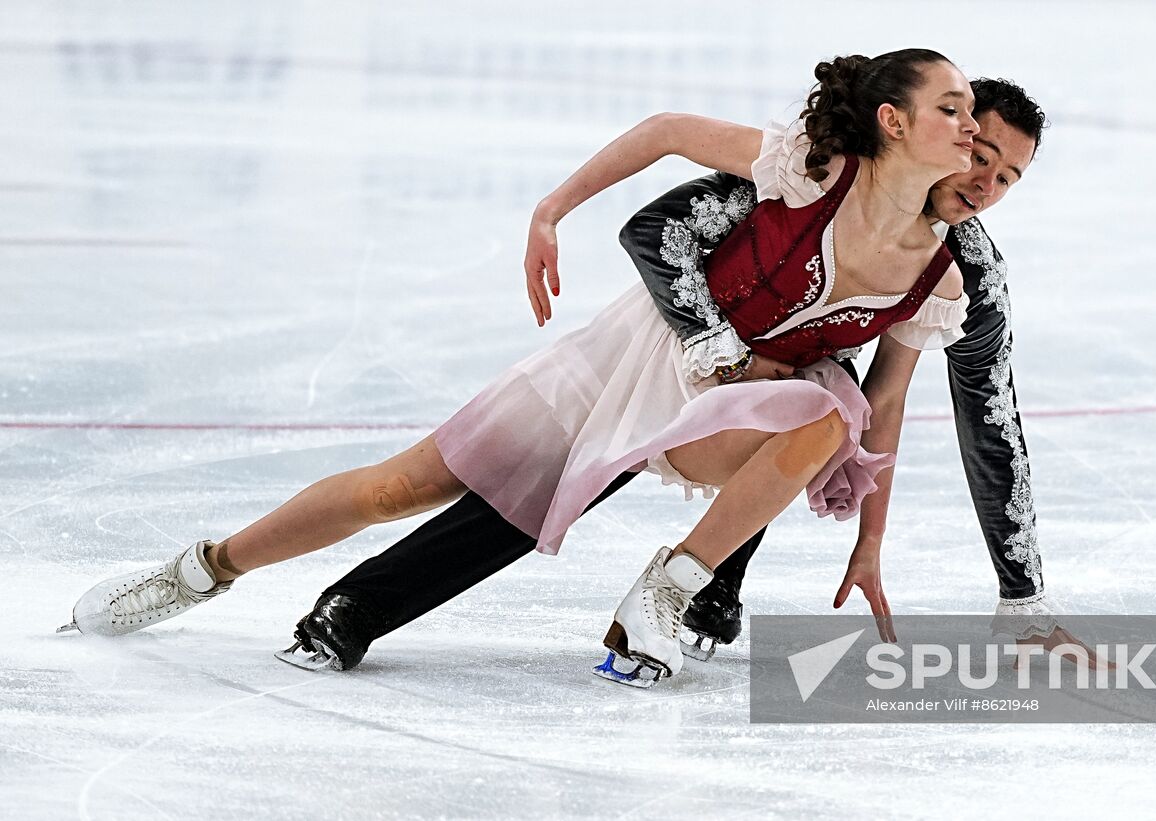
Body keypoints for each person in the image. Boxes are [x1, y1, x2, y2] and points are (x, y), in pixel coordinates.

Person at [63, 49, 978, 685]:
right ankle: (202, 568)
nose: (969, 129)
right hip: (636, 350)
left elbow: (884, 415)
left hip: (725, 403)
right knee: (401, 486)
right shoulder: (809, 170)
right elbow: (664, 129)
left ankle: (673, 584)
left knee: (830, 416)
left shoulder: (938, 273)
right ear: (892, 121)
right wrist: (551, 208)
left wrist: (868, 541)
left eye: (974, 116)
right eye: (953, 107)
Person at [277, 76, 1063, 673]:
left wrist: (1016, 590)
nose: (984, 178)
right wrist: (712, 345)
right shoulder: (822, 174)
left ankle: (697, 579)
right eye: (975, 149)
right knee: (539, 486)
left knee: (820, 408)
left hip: (777, 386)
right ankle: (357, 605)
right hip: (670, 341)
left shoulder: (964, 275)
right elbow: (659, 233)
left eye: (1009, 177)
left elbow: (971, 415)